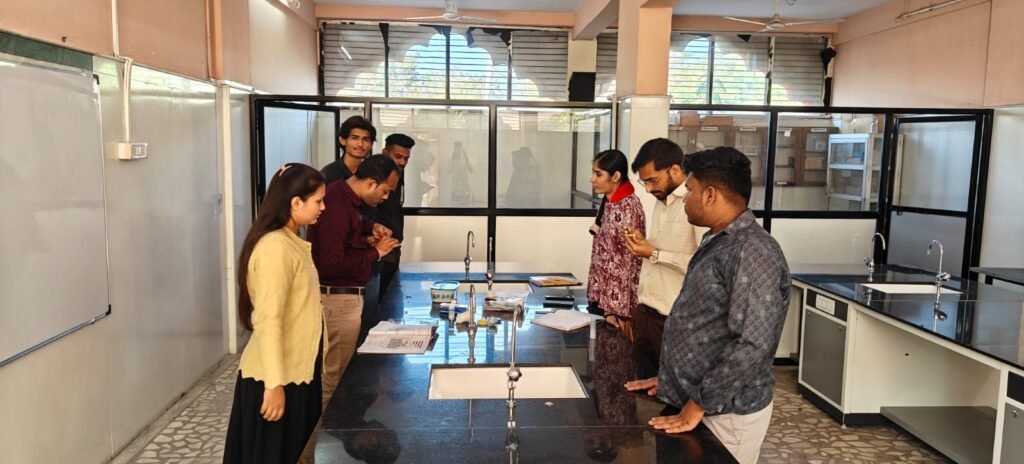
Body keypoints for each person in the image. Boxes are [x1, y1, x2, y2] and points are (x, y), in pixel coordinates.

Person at [625, 147, 791, 464]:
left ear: (710, 194)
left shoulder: (751, 251)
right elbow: (705, 322)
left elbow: (752, 344)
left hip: (727, 411)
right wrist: (673, 378)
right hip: (699, 400)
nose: (685, 199)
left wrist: (698, 403)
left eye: (690, 191)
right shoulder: (719, 240)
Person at [223, 163, 327, 464]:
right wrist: (274, 385)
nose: (323, 207)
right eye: (318, 201)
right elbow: (269, 321)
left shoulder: (290, 242)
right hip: (277, 380)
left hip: (296, 374)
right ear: (295, 203)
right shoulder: (275, 248)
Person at [307, 155, 401, 409]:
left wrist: (370, 228)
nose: (385, 197)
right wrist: (376, 252)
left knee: (339, 374)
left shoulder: (343, 195)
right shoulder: (336, 206)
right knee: (334, 380)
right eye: (385, 191)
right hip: (337, 299)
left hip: (344, 296)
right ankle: (323, 431)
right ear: (371, 183)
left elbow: (347, 233)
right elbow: (331, 265)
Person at [624, 138, 705, 374]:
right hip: (646, 312)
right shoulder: (662, 199)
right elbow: (662, 250)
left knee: (672, 389)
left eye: (652, 180)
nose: (648, 189)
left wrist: (654, 253)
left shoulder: (695, 203)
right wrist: (645, 244)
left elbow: (704, 264)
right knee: (642, 385)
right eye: (644, 182)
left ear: (675, 170)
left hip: (672, 319)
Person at [586, 149, 645, 339]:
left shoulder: (628, 207)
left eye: (598, 174)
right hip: (602, 300)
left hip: (616, 309)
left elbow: (627, 264)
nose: (592, 179)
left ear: (616, 176)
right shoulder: (609, 201)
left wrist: (612, 310)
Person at [376, 134, 415, 302]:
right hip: (380, 244)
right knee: (380, 300)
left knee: (390, 297)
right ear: (385, 152)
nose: (402, 162)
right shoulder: (377, 175)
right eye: (398, 156)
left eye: (406, 158)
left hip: (393, 244)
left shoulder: (397, 173)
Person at [321, 115, 376, 185]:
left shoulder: (374, 173)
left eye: (365, 139)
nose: (360, 144)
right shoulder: (328, 174)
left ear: (371, 144)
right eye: (354, 138)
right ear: (342, 140)